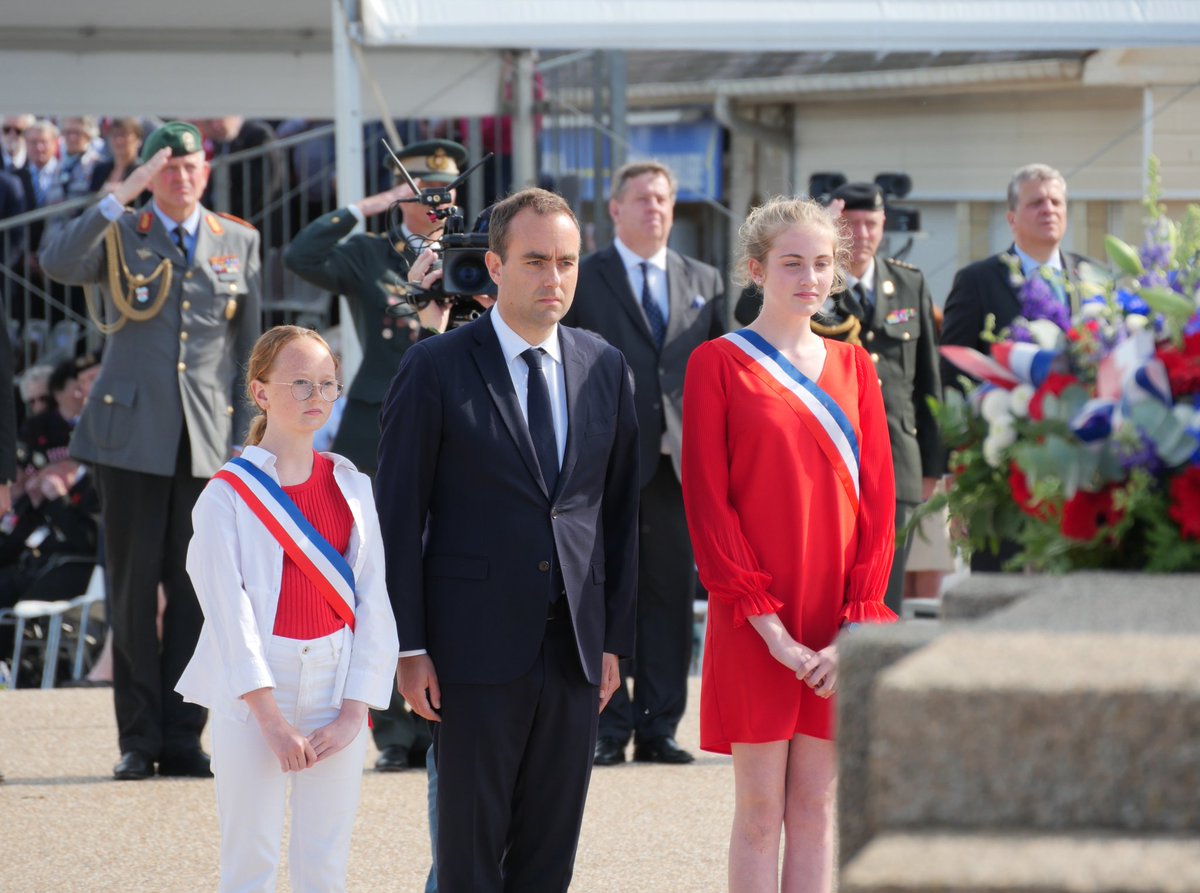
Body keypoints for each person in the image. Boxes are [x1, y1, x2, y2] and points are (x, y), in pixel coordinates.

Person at [377, 187, 639, 893]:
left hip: (575, 654)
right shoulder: (434, 368)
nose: (553, 279)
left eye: (566, 262)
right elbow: (397, 516)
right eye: (533, 261)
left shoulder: (604, 366)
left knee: (548, 860)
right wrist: (409, 647)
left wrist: (612, 640)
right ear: (493, 264)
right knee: (468, 856)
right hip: (471, 652)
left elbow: (616, 514)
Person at [681, 196, 897, 893]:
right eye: (792, 262)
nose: (810, 277)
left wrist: (855, 624)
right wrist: (767, 626)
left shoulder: (856, 366)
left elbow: (880, 504)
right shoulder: (716, 363)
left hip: (835, 620)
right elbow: (708, 504)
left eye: (823, 263)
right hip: (755, 620)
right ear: (755, 269)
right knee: (758, 809)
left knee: (815, 804)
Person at [39, 120, 262, 781]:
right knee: (134, 593)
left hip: (204, 440)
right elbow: (55, 260)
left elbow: (248, 353)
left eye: (190, 167)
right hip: (129, 438)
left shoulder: (237, 240)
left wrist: (246, 446)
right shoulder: (122, 229)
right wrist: (120, 191)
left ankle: (184, 734)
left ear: (208, 169)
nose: (181, 177)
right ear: (153, 175)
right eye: (167, 168)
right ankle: (138, 737)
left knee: (197, 594)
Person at [177, 325, 398, 893]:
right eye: (299, 383)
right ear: (261, 392)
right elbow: (230, 615)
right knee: (249, 859)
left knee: (324, 862)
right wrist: (270, 721)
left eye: (327, 383)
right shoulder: (225, 494)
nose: (317, 397)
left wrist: (356, 710)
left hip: (335, 682)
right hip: (255, 689)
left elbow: (376, 601)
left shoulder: (353, 484)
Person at [565, 159, 725, 767]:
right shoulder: (588, 276)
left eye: (662, 199)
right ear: (614, 209)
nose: (654, 209)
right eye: (641, 199)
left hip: (681, 463)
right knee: (609, 593)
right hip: (606, 460)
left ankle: (660, 727)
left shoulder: (702, 277)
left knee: (669, 594)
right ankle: (611, 725)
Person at [940, 162, 1086, 571]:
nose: (1049, 209)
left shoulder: (1094, 276)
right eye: (1036, 202)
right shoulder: (978, 281)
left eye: (1057, 201)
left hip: (1082, 472)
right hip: (1004, 472)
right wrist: (957, 470)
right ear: (1011, 218)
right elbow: (952, 375)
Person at [821, 181, 941, 615]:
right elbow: (749, 308)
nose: (862, 232)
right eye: (849, 224)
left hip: (897, 459)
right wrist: (820, 238)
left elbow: (929, 380)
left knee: (885, 590)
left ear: (883, 224)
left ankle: (876, 678)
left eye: (870, 223)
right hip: (833, 458)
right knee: (831, 586)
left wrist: (932, 465)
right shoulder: (815, 280)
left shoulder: (909, 283)